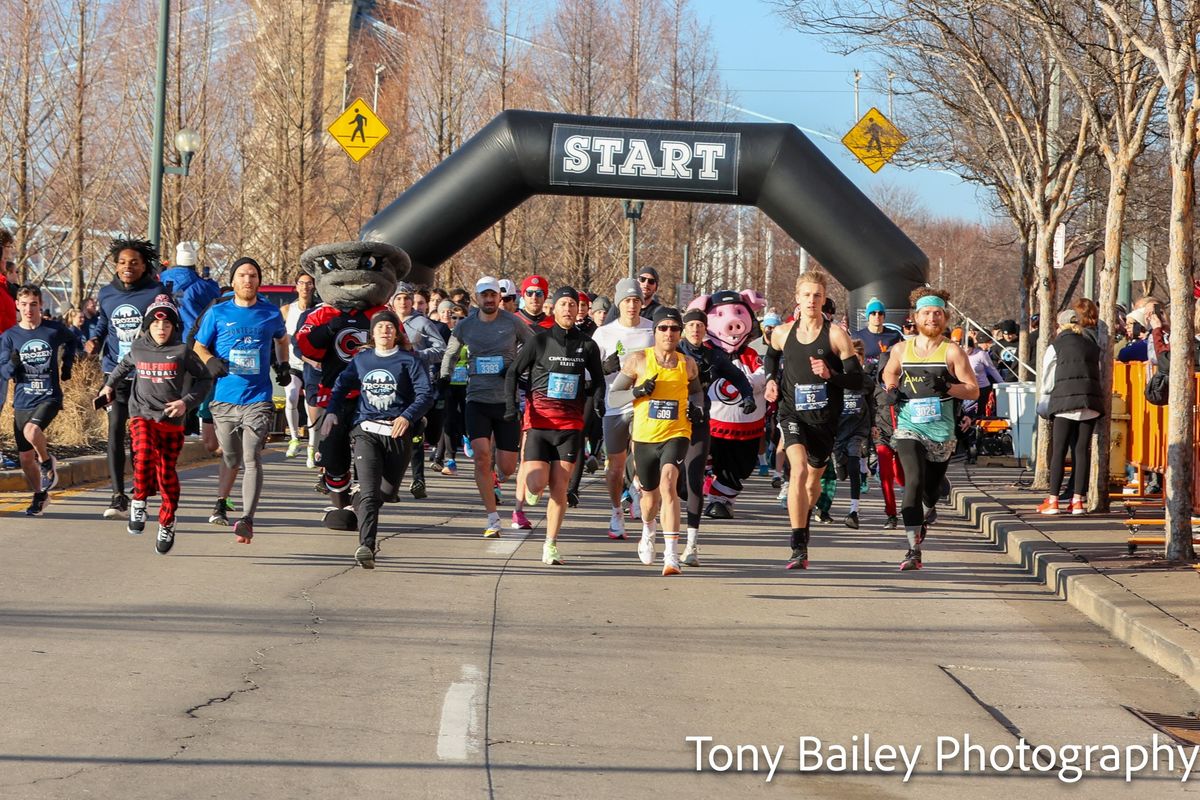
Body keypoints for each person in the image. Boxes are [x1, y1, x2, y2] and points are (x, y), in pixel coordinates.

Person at [763, 271, 864, 570]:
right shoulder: (782, 332)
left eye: (817, 295)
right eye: (806, 295)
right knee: (797, 471)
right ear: (797, 297)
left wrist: (830, 375)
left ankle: (804, 522)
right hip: (792, 412)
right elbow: (771, 356)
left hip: (824, 419)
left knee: (812, 480)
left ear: (823, 299)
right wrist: (770, 379)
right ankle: (798, 545)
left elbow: (857, 379)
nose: (811, 300)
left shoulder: (835, 335)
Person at [99, 297, 211, 552]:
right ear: (148, 325)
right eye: (157, 324)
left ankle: (167, 522)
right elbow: (122, 367)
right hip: (141, 414)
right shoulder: (139, 348)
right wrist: (108, 386)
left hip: (171, 420)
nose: (162, 329)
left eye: (167, 325)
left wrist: (186, 402)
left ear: (174, 328)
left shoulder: (183, 352)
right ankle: (138, 502)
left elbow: (204, 380)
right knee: (144, 452)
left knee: (166, 474)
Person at [324, 310, 434, 568]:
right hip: (367, 430)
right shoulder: (362, 360)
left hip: (398, 433)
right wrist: (331, 412)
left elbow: (425, 395)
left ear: (396, 333)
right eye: (380, 327)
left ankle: (356, 505)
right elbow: (341, 386)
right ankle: (366, 547)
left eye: (389, 327)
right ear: (372, 334)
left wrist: (407, 417)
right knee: (371, 492)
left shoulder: (410, 361)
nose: (385, 330)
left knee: (385, 491)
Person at [503, 287, 603, 565]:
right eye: (563, 304)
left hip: (570, 425)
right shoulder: (540, 341)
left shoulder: (588, 345)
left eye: (573, 304)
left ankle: (550, 544)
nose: (568, 309)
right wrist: (512, 407)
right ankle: (533, 491)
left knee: (560, 488)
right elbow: (513, 372)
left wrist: (598, 401)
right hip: (539, 423)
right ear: (554, 309)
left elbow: (597, 380)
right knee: (537, 482)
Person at [881, 287, 979, 571]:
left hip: (941, 432)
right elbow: (890, 371)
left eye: (938, 313)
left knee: (931, 490)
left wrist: (948, 386)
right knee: (912, 481)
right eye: (926, 313)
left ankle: (927, 509)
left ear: (945, 318)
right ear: (916, 317)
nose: (932, 318)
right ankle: (913, 550)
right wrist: (891, 388)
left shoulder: (952, 351)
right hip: (910, 426)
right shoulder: (902, 349)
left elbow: (972, 391)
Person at [193, 257, 289, 544]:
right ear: (233, 281)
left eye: (253, 275)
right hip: (224, 400)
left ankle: (246, 518)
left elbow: (282, 340)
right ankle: (226, 499)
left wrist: (282, 365)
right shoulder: (218, 313)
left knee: (251, 456)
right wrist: (210, 361)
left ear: (258, 281)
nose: (248, 280)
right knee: (231, 456)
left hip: (258, 398)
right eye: (243, 275)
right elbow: (199, 345)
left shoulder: (270, 313)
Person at [610, 306, 702, 576]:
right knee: (650, 500)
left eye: (674, 328)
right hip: (645, 437)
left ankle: (671, 555)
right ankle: (648, 530)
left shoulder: (688, 364)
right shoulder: (638, 360)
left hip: (677, 433)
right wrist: (637, 391)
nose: (669, 333)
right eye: (663, 328)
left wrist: (697, 410)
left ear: (680, 332)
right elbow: (614, 397)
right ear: (655, 332)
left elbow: (697, 396)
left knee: (669, 482)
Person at [440, 276, 533, 537]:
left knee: (506, 467)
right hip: (476, 399)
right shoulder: (466, 325)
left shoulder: (512, 322)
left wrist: (515, 368)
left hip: (506, 401)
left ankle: (499, 479)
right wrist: (445, 376)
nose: (490, 299)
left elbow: (533, 345)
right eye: (484, 295)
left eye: (493, 295)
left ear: (499, 298)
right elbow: (451, 352)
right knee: (481, 456)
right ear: (477, 298)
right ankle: (492, 518)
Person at [87, 238, 167, 519]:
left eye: (134, 262)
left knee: (141, 437)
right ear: (115, 265)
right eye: (122, 262)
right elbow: (104, 322)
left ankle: (141, 489)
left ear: (144, 265)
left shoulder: (156, 291)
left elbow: (167, 324)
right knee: (115, 430)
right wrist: (94, 339)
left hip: (146, 375)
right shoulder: (107, 293)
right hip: (115, 373)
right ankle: (118, 495)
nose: (127, 267)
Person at [678, 308, 754, 565]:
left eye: (700, 325)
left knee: (694, 481)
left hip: (699, 422)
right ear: (684, 329)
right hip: (670, 423)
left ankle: (691, 545)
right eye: (691, 326)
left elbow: (738, 377)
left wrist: (748, 396)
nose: (696, 330)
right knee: (674, 482)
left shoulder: (713, 356)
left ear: (706, 329)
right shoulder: (673, 352)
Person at [0, 285, 77, 516]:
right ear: (17, 305)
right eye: (24, 304)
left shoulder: (53, 330)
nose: (29, 309)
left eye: (33, 304)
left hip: (49, 395)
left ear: (40, 305)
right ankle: (40, 495)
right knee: (25, 458)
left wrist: (68, 365)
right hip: (23, 400)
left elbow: (72, 340)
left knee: (32, 432)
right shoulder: (9, 337)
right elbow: (3, 373)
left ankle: (46, 462)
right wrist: (13, 363)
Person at [592, 277, 655, 538]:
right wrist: (602, 369)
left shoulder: (653, 330)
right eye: (627, 301)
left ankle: (638, 492)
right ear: (619, 303)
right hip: (614, 403)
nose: (632, 305)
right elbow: (591, 371)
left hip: (644, 404)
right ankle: (616, 510)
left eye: (636, 300)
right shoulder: (604, 333)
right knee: (615, 466)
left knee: (642, 457)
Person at [1036, 307, 1103, 516]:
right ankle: (1078, 501)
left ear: (1060, 325)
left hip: (1064, 401)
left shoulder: (1056, 346)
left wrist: (1047, 396)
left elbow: (1047, 376)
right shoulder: (1092, 345)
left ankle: (1053, 500)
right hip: (1089, 402)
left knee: (1059, 450)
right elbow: (1098, 372)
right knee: (1081, 451)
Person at [392, 282, 447, 498]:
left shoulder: (422, 322)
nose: (403, 302)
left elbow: (440, 349)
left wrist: (418, 355)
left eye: (407, 298)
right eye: (399, 298)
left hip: (415, 384)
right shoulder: (385, 321)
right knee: (392, 434)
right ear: (392, 301)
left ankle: (418, 479)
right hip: (391, 385)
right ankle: (392, 481)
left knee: (414, 433)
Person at [281, 271, 319, 460]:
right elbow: (279, 338)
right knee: (291, 396)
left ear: (314, 286)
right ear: (296, 286)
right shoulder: (287, 309)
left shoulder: (318, 310)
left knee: (311, 404)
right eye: (301, 283)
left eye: (309, 283)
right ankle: (294, 438)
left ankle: (312, 445)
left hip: (313, 365)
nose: (305, 287)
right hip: (293, 363)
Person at [159, 240, 220, 337]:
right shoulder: (201, 286)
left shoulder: (160, 282)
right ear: (193, 262)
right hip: (191, 340)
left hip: (163, 338)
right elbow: (218, 304)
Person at [852, 297, 903, 365]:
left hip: (886, 373)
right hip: (865, 374)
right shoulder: (857, 336)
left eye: (880, 313)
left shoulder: (895, 335)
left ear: (883, 316)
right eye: (873, 313)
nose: (877, 316)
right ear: (868, 316)